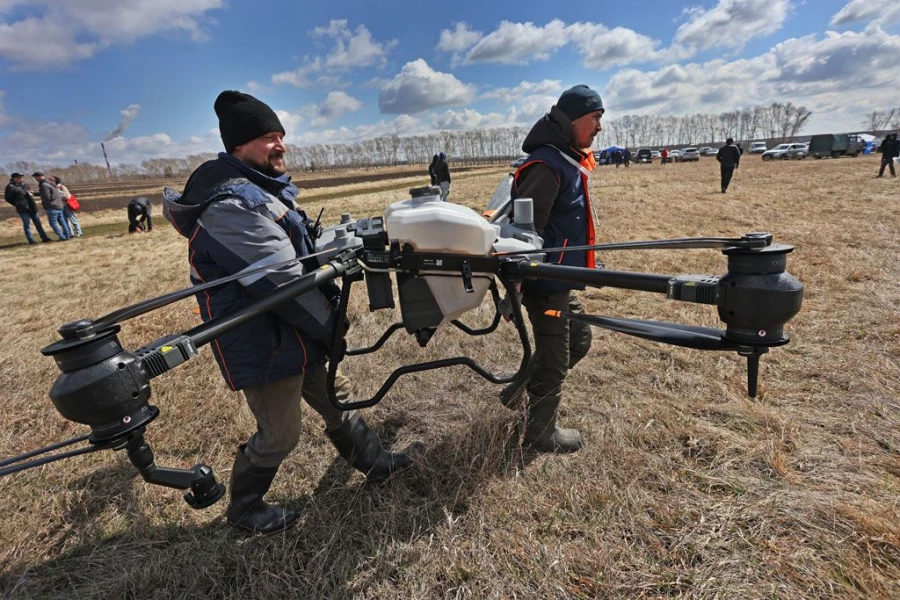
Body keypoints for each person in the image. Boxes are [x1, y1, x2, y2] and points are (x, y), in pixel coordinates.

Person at [162, 90, 414, 534]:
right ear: (238, 146)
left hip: (296, 329)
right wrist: (332, 324)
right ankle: (244, 507)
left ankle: (375, 463)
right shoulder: (231, 206)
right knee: (281, 433)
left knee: (338, 397)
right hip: (267, 339)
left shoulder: (261, 190)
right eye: (267, 138)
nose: (279, 145)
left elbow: (298, 255)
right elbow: (286, 282)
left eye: (280, 135)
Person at [500, 84, 603, 453]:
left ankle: (517, 395)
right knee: (555, 359)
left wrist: (584, 262)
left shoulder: (565, 158)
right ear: (573, 119)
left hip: (559, 279)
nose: (599, 127)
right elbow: (525, 235)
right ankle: (540, 432)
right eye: (595, 118)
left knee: (579, 339)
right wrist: (516, 292)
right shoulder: (547, 164)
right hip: (543, 284)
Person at [5, 172, 52, 244]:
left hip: (32, 206)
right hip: (23, 209)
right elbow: (8, 198)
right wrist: (17, 204)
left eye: (21, 177)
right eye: (19, 178)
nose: (21, 179)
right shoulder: (10, 187)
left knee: (38, 223)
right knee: (27, 225)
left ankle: (44, 238)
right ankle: (31, 240)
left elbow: (30, 193)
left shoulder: (25, 184)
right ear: (14, 178)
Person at [33, 171, 71, 240]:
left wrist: (46, 205)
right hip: (59, 205)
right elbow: (48, 192)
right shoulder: (51, 183)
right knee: (62, 221)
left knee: (53, 223)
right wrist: (35, 194)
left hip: (52, 206)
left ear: (38, 177)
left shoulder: (43, 185)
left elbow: (46, 196)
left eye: (35, 177)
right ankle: (67, 236)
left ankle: (62, 237)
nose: (35, 179)